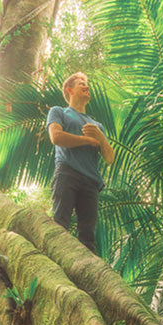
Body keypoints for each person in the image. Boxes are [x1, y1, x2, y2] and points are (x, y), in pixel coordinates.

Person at [46, 72, 114, 253]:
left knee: (88, 236)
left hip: (91, 182)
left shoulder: (97, 126)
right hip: (67, 173)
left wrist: (100, 137)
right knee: (60, 224)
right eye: (81, 83)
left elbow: (109, 158)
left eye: (87, 84)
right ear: (70, 90)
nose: (87, 86)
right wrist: (88, 141)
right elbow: (56, 137)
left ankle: (85, 277)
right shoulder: (59, 112)